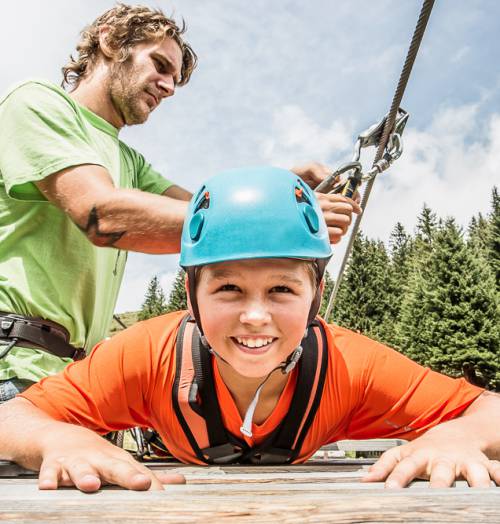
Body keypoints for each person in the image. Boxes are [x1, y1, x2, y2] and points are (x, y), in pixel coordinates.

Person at [1, 166, 499, 493]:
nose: (255, 316)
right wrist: (57, 441)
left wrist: (458, 437)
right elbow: (11, 419)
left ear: (315, 297)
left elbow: (489, 411)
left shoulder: (351, 365)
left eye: (282, 290)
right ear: (192, 297)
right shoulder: (146, 353)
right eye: (229, 290)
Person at [0, 3, 360, 402]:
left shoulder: (129, 163)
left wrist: (287, 189)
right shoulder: (37, 103)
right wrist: (282, 215)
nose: (169, 87)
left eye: (174, 79)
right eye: (159, 65)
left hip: (73, 384)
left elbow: (209, 213)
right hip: (15, 370)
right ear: (109, 40)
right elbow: (101, 213)